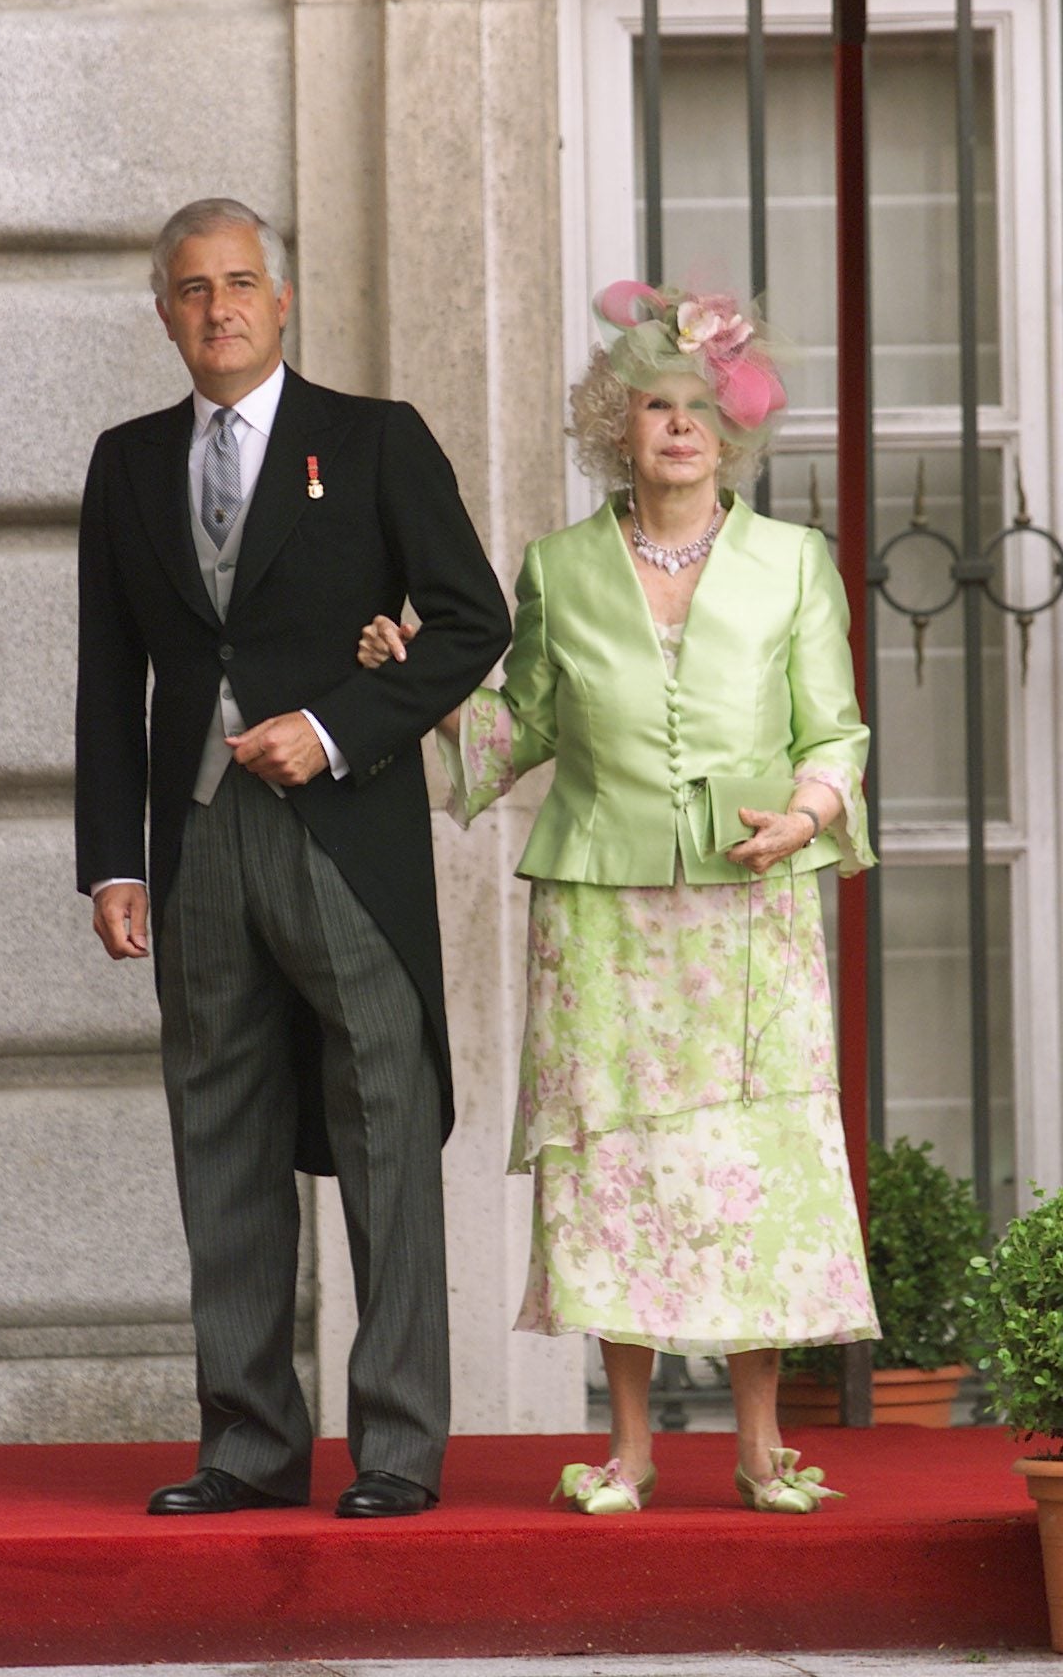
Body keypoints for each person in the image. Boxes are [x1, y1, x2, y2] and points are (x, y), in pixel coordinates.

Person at [358, 279, 879, 1516]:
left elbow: (835, 733)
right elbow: (521, 731)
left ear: (734, 429)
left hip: (751, 906)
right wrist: (419, 684)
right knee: (619, 1175)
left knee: (752, 1167)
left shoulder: (795, 564)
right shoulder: (560, 568)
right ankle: (631, 1448)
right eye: (654, 404)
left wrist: (807, 815)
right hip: (604, 920)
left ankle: (761, 1448)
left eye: (701, 405)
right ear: (617, 426)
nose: (680, 425)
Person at [75, 198, 511, 1520]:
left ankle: (397, 1448)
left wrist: (331, 729)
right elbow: (111, 680)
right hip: (197, 841)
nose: (219, 309)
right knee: (219, 1130)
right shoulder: (127, 462)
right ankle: (250, 1444)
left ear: (282, 300)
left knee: (385, 1125)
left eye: (240, 283)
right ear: (166, 313)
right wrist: (112, 862)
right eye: (193, 289)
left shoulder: (375, 441)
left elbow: (472, 621)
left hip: (342, 837)